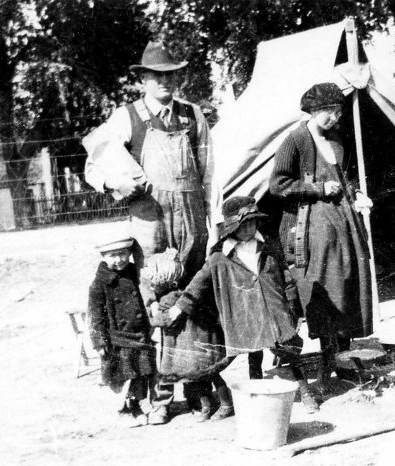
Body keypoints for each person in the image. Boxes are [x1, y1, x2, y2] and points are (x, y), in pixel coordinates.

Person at [83, 39, 222, 291]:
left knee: (196, 293)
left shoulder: (193, 115)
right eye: (156, 75)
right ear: (143, 79)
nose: (164, 81)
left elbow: (209, 176)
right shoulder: (126, 116)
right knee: (153, 293)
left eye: (169, 74)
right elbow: (94, 167)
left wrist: (216, 225)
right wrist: (116, 183)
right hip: (150, 223)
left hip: (192, 222)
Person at [168, 196, 320, 413]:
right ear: (232, 227)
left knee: (289, 352)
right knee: (253, 353)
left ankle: (305, 392)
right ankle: (256, 396)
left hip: (274, 311)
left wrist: (293, 306)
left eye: (253, 222)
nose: (249, 227)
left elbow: (285, 274)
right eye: (244, 223)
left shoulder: (268, 244)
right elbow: (199, 282)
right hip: (244, 313)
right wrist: (180, 307)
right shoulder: (220, 255)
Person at [269, 82, 373, 393]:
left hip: (343, 224)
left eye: (338, 111)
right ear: (314, 111)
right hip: (311, 227)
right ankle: (330, 360)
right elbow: (278, 185)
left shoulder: (336, 139)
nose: (334, 117)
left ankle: (344, 356)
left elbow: (343, 177)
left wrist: (357, 194)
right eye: (329, 111)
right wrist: (316, 189)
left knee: (349, 284)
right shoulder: (296, 140)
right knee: (327, 288)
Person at [142, 249, 232, 423]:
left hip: (189, 347)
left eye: (155, 281)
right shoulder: (180, 293)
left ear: (167, 282)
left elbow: (169, 321)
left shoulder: (169, 299)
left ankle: (224, 404)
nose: (151, 285)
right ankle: (208, 405)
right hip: (193, 345)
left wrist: (152, 320)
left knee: (207, 375)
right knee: (202, 376)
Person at [88, 236, 155, 428]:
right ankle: (124, 411)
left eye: (123, 254)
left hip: (138, 334)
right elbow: (95, 315)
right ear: (103, 257)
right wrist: (100, 341)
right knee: (123, 377)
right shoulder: (99, 284)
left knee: (140, 376)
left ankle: (137, 407)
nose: (119, 260)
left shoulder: (134, 274)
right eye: (113, 256)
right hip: (116, 339)